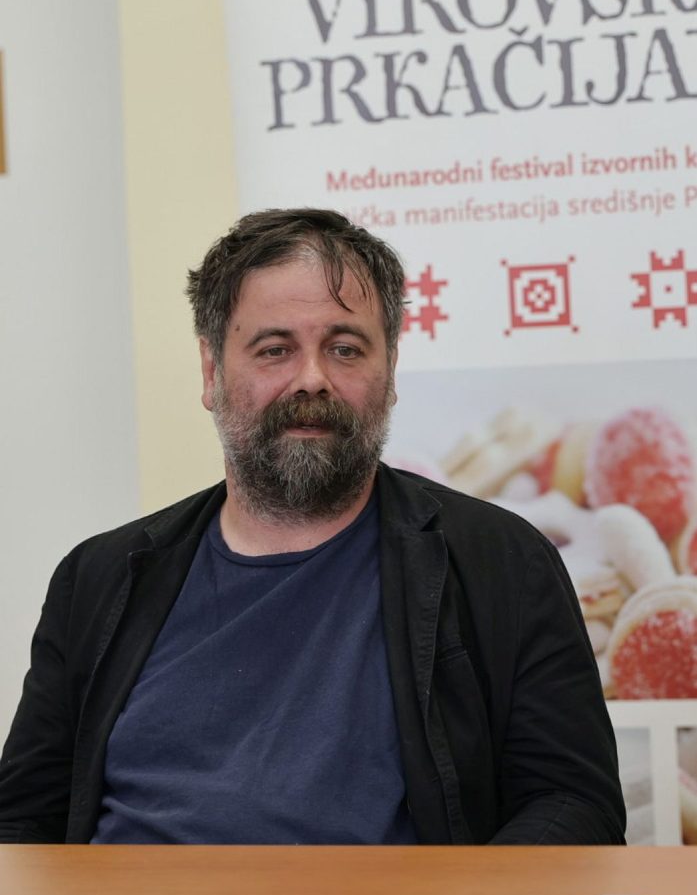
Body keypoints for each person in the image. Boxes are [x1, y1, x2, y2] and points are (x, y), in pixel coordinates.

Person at [0, 208, 626, 845]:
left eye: (345, 349)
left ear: (390, 371)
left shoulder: (502, 563)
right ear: (212, 372)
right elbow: (22, 822)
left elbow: (574, 804)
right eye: (274, 350)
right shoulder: (99, 579)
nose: (312, 379)